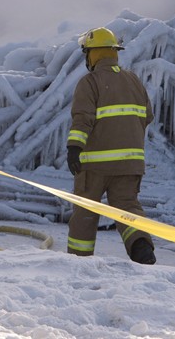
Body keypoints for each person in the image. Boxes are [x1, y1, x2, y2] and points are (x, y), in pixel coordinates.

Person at [66, 27, 156, 264]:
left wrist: (74, 147)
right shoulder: (133, 80)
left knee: (85, 214)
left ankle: (79, 262)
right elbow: (148, 116)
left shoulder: (90, 82)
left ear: (93, 54)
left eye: (87, 53)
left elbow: (82, 118)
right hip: (130, 164)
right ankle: (141, 248)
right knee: (128, 210)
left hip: (95, 166)